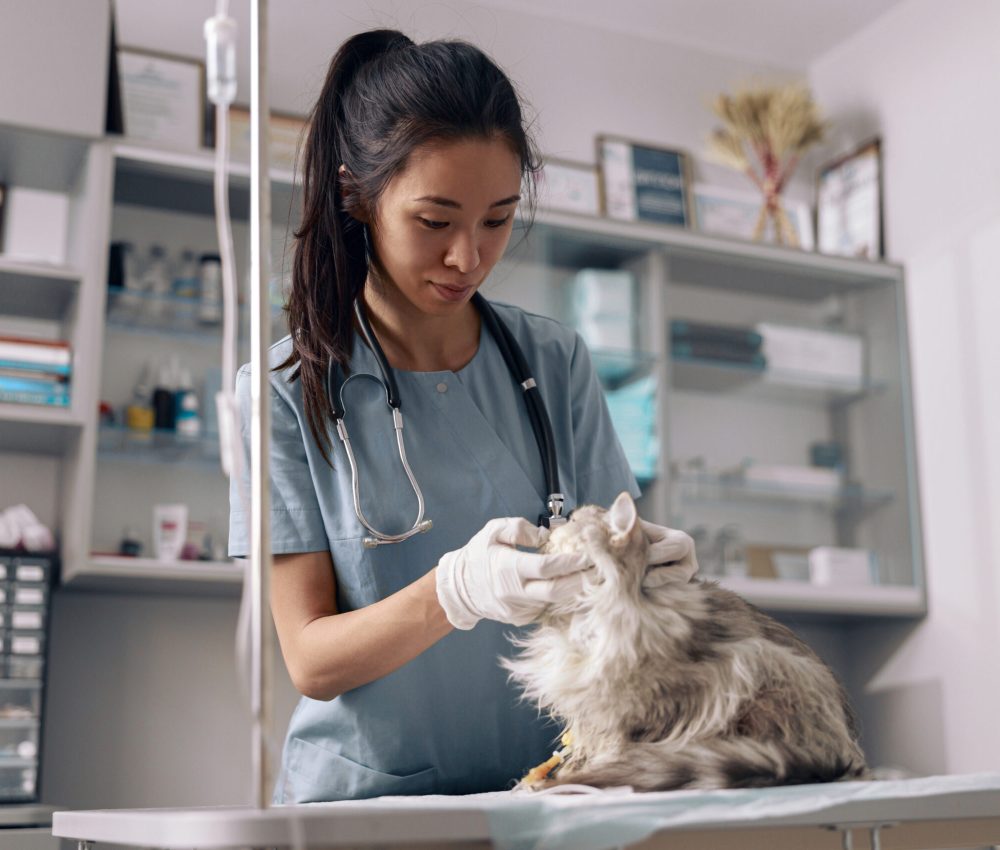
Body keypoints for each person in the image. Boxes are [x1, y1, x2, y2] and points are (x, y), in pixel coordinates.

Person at [228, 28, 697, 803]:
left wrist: (650, 581)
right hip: (364, 807)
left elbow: (599, 600)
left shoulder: (555, 364)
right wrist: (455, 592)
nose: (468, 258)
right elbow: (311, 658)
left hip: (549, 795)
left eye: (498, 219)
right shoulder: (285, 388)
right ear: (358, 196)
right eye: (435, 221)